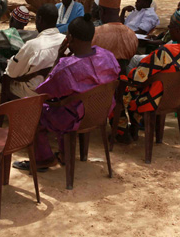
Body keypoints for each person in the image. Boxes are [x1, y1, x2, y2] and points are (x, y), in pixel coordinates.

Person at [13, 15, 121, 171]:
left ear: (69, 38)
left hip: (74, 118)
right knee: (67, 102)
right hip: (100, 112)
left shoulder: (66, 67)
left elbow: (44, 91)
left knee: (34, 110)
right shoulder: (107, 56)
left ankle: (44, 159)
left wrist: (58, 60)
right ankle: (64, 154)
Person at [121, 10, 180, 139]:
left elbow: (138, 76)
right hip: (177, 97)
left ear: (178, 30)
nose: (168, 29)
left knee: (125, 88)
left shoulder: (165, 52)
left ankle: (124, 130)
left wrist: (126, 77)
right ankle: (141, 128)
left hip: (153, 100)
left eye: (170, 26)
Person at [0, 6, 38, 115]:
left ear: (11, 20)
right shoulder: (34, 38)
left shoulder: (1, 36)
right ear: (25, 24)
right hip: (24, 80)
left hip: (2, 79)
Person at [5, 4, 66, 97]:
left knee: (0, 79)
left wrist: (10, 61)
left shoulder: (32, 45)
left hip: (35, 93)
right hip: (59, 88)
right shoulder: (66, 41)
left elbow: (12, 72)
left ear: (39, 19)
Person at [92, 0, 138, 69]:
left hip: (100, 77)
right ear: (119, 10)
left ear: (101, 11)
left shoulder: (95, 33)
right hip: (124, 77)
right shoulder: (132, 35)